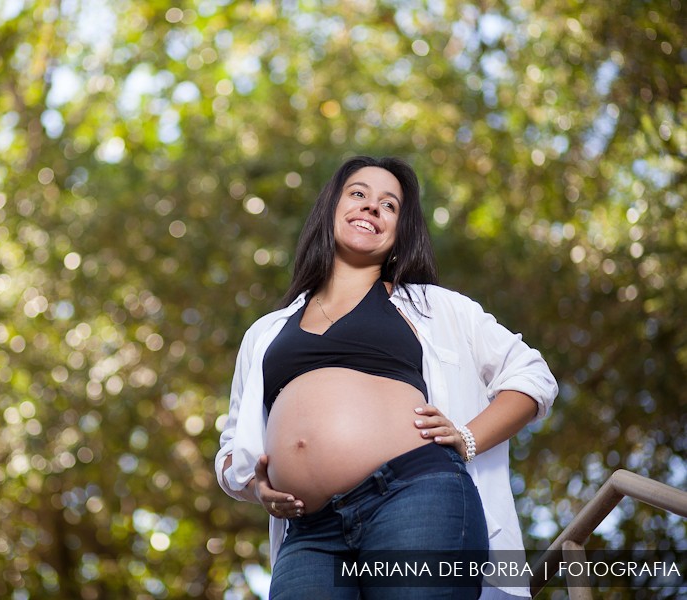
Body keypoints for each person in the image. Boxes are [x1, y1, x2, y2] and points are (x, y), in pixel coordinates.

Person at [214, 155, 558, 599]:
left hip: (415, 497)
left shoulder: (435, 307)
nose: (371, 207)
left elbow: (531, 376)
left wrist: (468, 438)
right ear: (331, 211)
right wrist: (256, 486)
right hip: (309, 535)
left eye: (389, 205)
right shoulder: (265, 332)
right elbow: (230, 453)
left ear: (398, 234)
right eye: (358, 194)